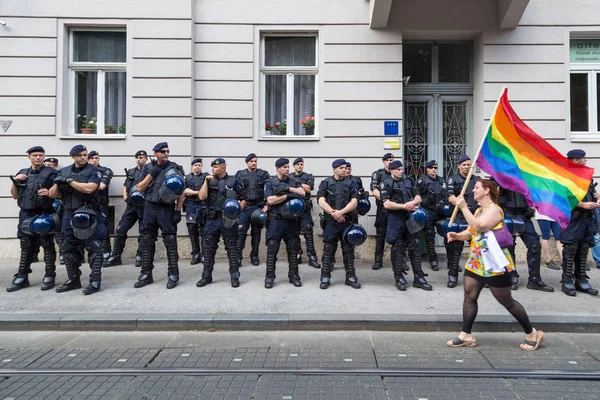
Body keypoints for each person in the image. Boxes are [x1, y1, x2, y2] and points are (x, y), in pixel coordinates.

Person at [446, 179, 545, 351]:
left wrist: (463, 207)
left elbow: (480, 226)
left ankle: (532, 333)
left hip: (494, 263)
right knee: (469, 295)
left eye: (477, 188)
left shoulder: (495, 211)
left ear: (486, 190)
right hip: (477, 262)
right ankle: (465, 335)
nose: (473, 190)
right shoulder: (478, 210)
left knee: (506, 301)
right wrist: (457, 235)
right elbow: (471, 232)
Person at [49, 144, 108, 295]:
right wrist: (57, 182)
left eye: (85, 154)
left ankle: (95, 280)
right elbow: (52, 194)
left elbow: (89, 188)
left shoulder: (93, 171)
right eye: (80, 155)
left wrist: (69, 181)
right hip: (69, 213)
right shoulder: (64, 171)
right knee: (68, 248)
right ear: (73, 156)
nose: (83, 157)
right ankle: (73, 279)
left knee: (94, 247)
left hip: (89, 212)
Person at [134, 142, 185, 289]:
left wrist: (178, 210)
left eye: (168, 151)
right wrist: (152, 173)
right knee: (146, 240)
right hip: (149, 207)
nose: (166, 154)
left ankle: (173, 273)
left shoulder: (174, 167)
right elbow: (140, 188)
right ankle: (146, 273)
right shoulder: (149, 168)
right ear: (155, 153)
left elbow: (181, 190)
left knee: (170, 240)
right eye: (163, 151)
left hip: (166, 208)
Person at [7, 146, 58, 292]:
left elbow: (60, 193)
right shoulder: (22, 173)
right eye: (35, 155)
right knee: (26, 245)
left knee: (47, 244)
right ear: (29, 156)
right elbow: (15, 195)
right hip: (26, 213)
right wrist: (15, 181)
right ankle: (22, 276)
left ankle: (50, 275)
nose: (38, 158)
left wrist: (49, 192)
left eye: (41, 155)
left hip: (44, 212)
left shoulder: (52, 173)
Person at [381, 160, 431, 291]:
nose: (400, 171)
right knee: (397, 247)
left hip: (410, 218)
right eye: (397, 169)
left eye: (401, 169)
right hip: (395, 218)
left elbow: (418, 197)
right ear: (391, 170)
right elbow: (386, 204)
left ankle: (418, 277)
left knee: (415, 246)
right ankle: (399, 277)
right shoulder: (385, 183)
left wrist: (413, 202)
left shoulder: (408, 181)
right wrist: (404, 206)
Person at [197, 158, 246, 288]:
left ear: (223, 168)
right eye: (212, 167)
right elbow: (202, 197)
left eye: (215, 167)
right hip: (212, 219)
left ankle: (235, 276)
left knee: (232, 248)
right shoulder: (208, 180)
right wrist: (206, 182)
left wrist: (236, 212)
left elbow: (243, 199)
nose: (212, 169)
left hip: (228, 220)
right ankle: (206, 276)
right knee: (208, 248)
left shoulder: (233, 181)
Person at [498, 186, 554, 292]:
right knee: (508, 246)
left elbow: (536, 191)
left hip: (524, 215)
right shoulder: (501, 171)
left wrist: (533, 207)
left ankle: (534, 279)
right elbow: (491, 191)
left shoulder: (526, 172)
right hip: (507, 215)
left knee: (534, 245)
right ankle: (511, 276)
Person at [560, 149, 599, 296]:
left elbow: (593, 193)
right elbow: (565, 197)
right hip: (573, 219)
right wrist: (583, 205)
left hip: (587, 219)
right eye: (584, 158)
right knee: (570, 250)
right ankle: (567, 281)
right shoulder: (566, 176)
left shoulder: (586, 176)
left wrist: (597, 200)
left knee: (583, 250)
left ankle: (581, 279)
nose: (586, 160)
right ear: (576, 160)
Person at [317, 159, 361, 289]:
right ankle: (325, 276)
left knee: (348, 251)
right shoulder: (326, 183)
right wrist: (333, 213)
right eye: (341, 168)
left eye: (345, 167)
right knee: (328, 250)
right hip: (331, 222)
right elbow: (320, 200)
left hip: (347, 222)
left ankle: (351, 276)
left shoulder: (352, 183)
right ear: (334, 169)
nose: (344, 169)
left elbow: (354, 202)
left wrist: (341, 213)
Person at [263, 158, 306, 288]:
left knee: (293, 250)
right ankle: (269, 277)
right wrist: (287, 196)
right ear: (277, 168)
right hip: (275, 221)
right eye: (284, 167)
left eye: (288, 167)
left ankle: (294, 276)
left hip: (291, 221)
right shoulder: (270, 182)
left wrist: (288, 189)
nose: (287, 169)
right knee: (272, 250)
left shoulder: (293, 181)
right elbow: (270, 200)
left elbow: (302, 192)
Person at [105, 150, 148, 267]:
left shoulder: (150, 171)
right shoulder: (131, 171)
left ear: (146, 159)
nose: (139, 159)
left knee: (143, 231)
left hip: (144, 206)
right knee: (120, 229)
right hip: (131, 205)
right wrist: (125, 197)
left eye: (141, 157)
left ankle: (140, 255)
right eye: (137, 157)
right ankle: (116, 256)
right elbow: (125, 185)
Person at [446, 155, 479, 288]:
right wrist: (459, 203)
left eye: (469, 165)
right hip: (459, 215)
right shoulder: (453, 179)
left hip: (474, 216)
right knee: (456, 248)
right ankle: (453, 274)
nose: (466, 167)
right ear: (459, 166)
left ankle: (479, 275)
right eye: (464, 165)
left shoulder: (477, 180)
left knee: (477, 246)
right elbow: (450, 197)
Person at [235, 153, 270, 266]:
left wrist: (267, 205)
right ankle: (238, 257)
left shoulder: (263, 174)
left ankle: (254, 256)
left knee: (256, 233)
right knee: (241, 231)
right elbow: (234, 190)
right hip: (244, 207)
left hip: (258, 206)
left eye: (255, 161)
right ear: (247, 163)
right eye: (251, 161)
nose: (254, 163)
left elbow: (268, 189)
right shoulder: (240, 174)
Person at [370, 153, 399, 270]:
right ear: (383, 162)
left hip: (397, 210)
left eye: (392, 159)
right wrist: (386, 200)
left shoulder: (398, 174)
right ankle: (378, 260)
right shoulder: (378, 174)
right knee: (380, 235)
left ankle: (400, 261)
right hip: (383, 209)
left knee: (398, 235)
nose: (390, 162)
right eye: (388, 160)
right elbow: (374, 190)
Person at [416, 159, 446, 271]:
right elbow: (416, 195)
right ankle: (433, 260)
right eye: (431, 168)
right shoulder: (422, 181)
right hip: (428, 211)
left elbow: (447, 195)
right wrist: (424, 201)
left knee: (447, 235)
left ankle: (452, 261)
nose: (433, 170)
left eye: (435, 168)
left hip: (441, 211)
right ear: (427, 169)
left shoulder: (442, 181)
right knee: (429, 236)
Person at [31, 157, 62, 264]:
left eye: (53, 165)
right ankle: (34, 253)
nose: (51, 167)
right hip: (41, 206)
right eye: (48, 165)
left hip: (56, 205)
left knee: (58, 231)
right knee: (39, 231)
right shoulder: (40, 176)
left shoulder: (59, 175)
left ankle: (62, 253)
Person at [292, 157, 320, 269]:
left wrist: (297, 183)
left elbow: (308, 189)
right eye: (297, 164)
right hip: (292, 208)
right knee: (294, 232)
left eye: (301, 164)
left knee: (308, 229)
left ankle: (312, 257)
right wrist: (301, 184)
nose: (300, 166)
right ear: (294, 166)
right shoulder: (289, 176)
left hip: (304, 206)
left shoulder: (308, 176)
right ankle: (297, 254)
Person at [87, 151, 114, 262]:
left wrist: (86, 186)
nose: (94, 160)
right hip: (87, 203)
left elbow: (102, 186)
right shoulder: (85, 171)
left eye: (96, 157)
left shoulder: (105, 170)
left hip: (101, 204)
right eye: (92, 158)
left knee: (103, 228)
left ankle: (106, 250)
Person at [184, 158, 208, 265]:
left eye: (199, 165)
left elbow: (207, 192)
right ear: (192, 166)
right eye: (195, 165)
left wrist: (193, 192)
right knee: (192, 229)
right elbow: (184, 192)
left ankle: (204, 254)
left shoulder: (206, 177)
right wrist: (198, 192)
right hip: (191, 206)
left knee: (204, 231)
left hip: (203, 206)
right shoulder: (187, 178)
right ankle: (196, 253)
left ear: (201, 166)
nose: (197, 167)